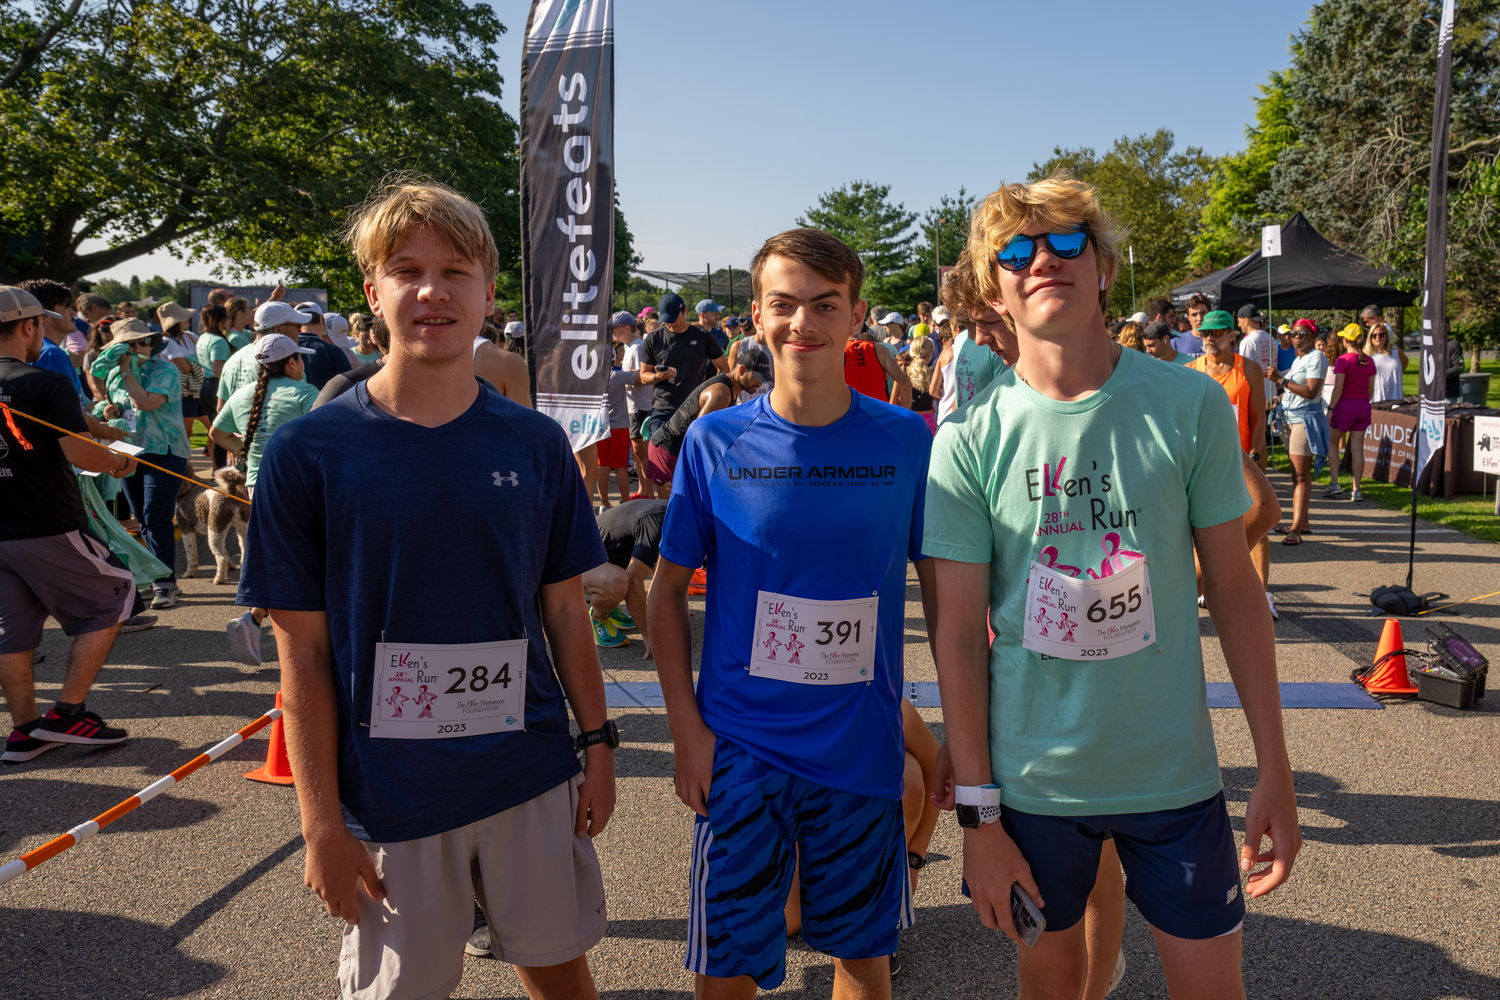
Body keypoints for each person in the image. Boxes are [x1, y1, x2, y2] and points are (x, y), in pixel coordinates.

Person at [238, 180, 615, 1000]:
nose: (432, 290)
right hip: (390, 791)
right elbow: (299, 653)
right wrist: (321, 826)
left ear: (488, 292)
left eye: (455, 270)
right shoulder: (312, 453)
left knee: (562, 976)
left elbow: (564, 613)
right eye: (406, 270)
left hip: (527, 770)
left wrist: (599, 743)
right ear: (373, 294)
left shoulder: (537, 442)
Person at [925, 175, 1298, 1000]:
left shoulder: (1188, 403)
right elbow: (955, 633)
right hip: (1033, 785)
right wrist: (979, 818)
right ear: (996, 288)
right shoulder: (967, 442)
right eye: (1016, 252)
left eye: (1066, 243)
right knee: (1051, 984)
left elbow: (1235, 592)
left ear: (1104, 267)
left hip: (1174, 778)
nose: (1042, 262)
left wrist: (1275, 764)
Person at [648, 227, 937, 999]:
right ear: (756, 316)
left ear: (856, 316)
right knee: (726, 971)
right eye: (783, 304)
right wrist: (687, 732)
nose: (801, 323)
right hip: (742, 753)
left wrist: (960, 741)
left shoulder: (907, 440)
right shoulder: (715, 441)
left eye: (824, 305)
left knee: (862, 963)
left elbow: (944, 597)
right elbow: (664, 592)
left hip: (862, 752)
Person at [1, 285, 146, 764]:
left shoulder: (39, 384)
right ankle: (67, 712)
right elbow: (80, 453)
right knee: (120, 590)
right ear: (30, 326)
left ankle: (25, 731)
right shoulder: (41, 381)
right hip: (44, 520)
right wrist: (121, 465)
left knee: (14, 629)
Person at [94, 318, 193, 610]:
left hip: (165, 451)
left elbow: (145, 403)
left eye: (140, 342)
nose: (135, 348)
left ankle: (166, 584)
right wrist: (107, 409)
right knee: (141, 518)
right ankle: (155, 576)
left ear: (150, 343)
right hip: (128, 451)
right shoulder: (114, 375)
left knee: (156, 517)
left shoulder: (165, 369)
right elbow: (115, 406)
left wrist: (126, 371)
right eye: (127, 344)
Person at [646, 343, 772, 490]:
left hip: (679, 448)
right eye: (757, 377)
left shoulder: (730, 386)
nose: (760, 383)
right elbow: (698, 436)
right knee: (670, 508)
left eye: (763, 378)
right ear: (742, 370)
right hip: (668, 448)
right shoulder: (720, 393)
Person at [1269, 320, 1328, 546]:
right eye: (1294, 333)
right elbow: (1294, 391)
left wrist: (1281, 380)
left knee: (1301, 475)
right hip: (1290, 419)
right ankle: (1302, 522)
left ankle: (1295, 529)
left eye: (1302, 333)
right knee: (1296, 474)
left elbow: (1311, 391)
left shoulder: (1317, 358)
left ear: (1312, 335)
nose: (1296, 337)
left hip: (1304, 420)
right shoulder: (1299, 359)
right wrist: (1277, 399)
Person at [584, 497, 666, 653]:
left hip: (602, 554)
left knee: (626, 577)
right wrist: (648, 634)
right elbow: (635, 580)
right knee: (620, 583)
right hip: (575, 560)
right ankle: (599, 617)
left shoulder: (672, 514)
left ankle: (611, 606)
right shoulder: (656, 524)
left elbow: (666, 566)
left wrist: (675, 603)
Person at [640, 292, 726, 432]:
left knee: (690, 453)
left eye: (673, 318)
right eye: (666, 319)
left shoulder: (702, 336)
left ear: (685, 312)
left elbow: (724, 368)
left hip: (694, 409)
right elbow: (643, 376)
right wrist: (657, 377)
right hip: (663, 410)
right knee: (659, 452)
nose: (670, 323)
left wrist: (711, 393)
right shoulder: (654, 338)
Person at [1325, 324, 1374, 502]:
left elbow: (1338, 388)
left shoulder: (1342, 360)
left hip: (1345, 405)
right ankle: (1356, 489)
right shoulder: (1369, 360)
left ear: (1345, 340)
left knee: (1331, 442)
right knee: (1357, 449)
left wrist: (1330, 409)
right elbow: (1371, 389)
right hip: (1362, 405)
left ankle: (1335, 483)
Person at [615, 312, 656, 499]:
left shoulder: (638, 346)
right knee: (637, 453)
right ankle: (642, 490)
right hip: (633, 406)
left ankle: (647, 492)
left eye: (614, 327)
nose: (612, 332)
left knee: (642, 453)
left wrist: (622, 377)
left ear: (627, 327)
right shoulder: (630, 347)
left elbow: (645, 376)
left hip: (641, 405)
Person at [595, 338, 638, 510]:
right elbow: (640, 377)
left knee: (603, 467)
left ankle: (604, 504)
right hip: (619, 426)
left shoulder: (593, 379)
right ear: (613, 359)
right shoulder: (618, 376)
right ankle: (625, 504)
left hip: (598, 426)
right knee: (621, 468)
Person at [843, 322, 911, 408]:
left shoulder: (836, 353)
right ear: (860, 327)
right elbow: (904, 383)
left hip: (850, 414)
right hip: (880, 413)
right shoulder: (880, 349)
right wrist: (907, 415)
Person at [297, 305, 352, 390]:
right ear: (320, 320)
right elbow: (348, 386)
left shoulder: (281, 349)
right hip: (327, 402)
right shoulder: (333, 352)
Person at [1365, 322, 1408, 403]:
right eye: (1374, 335)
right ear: (1370, 337)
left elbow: (1405, 362)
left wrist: (1396, 373)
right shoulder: (1366, 354)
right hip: (1375, 398)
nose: (1378, 337)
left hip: (1396, 397)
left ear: (1386, 336)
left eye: (1381, 335)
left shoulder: (1395, 350)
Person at [907, 334, 937, 433]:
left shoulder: (904, 372)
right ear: (929, 353)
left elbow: (893, 402)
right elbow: (936, 394)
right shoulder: (931, 373)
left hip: (910, 420)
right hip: (929, 423)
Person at [1174, 294, 1209, 359]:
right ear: (1188, 318)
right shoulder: (1176, 342)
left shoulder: (1221, 340)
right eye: (1194, 315)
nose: (1199, 318)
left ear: (1209, 313)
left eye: (1203, 313)